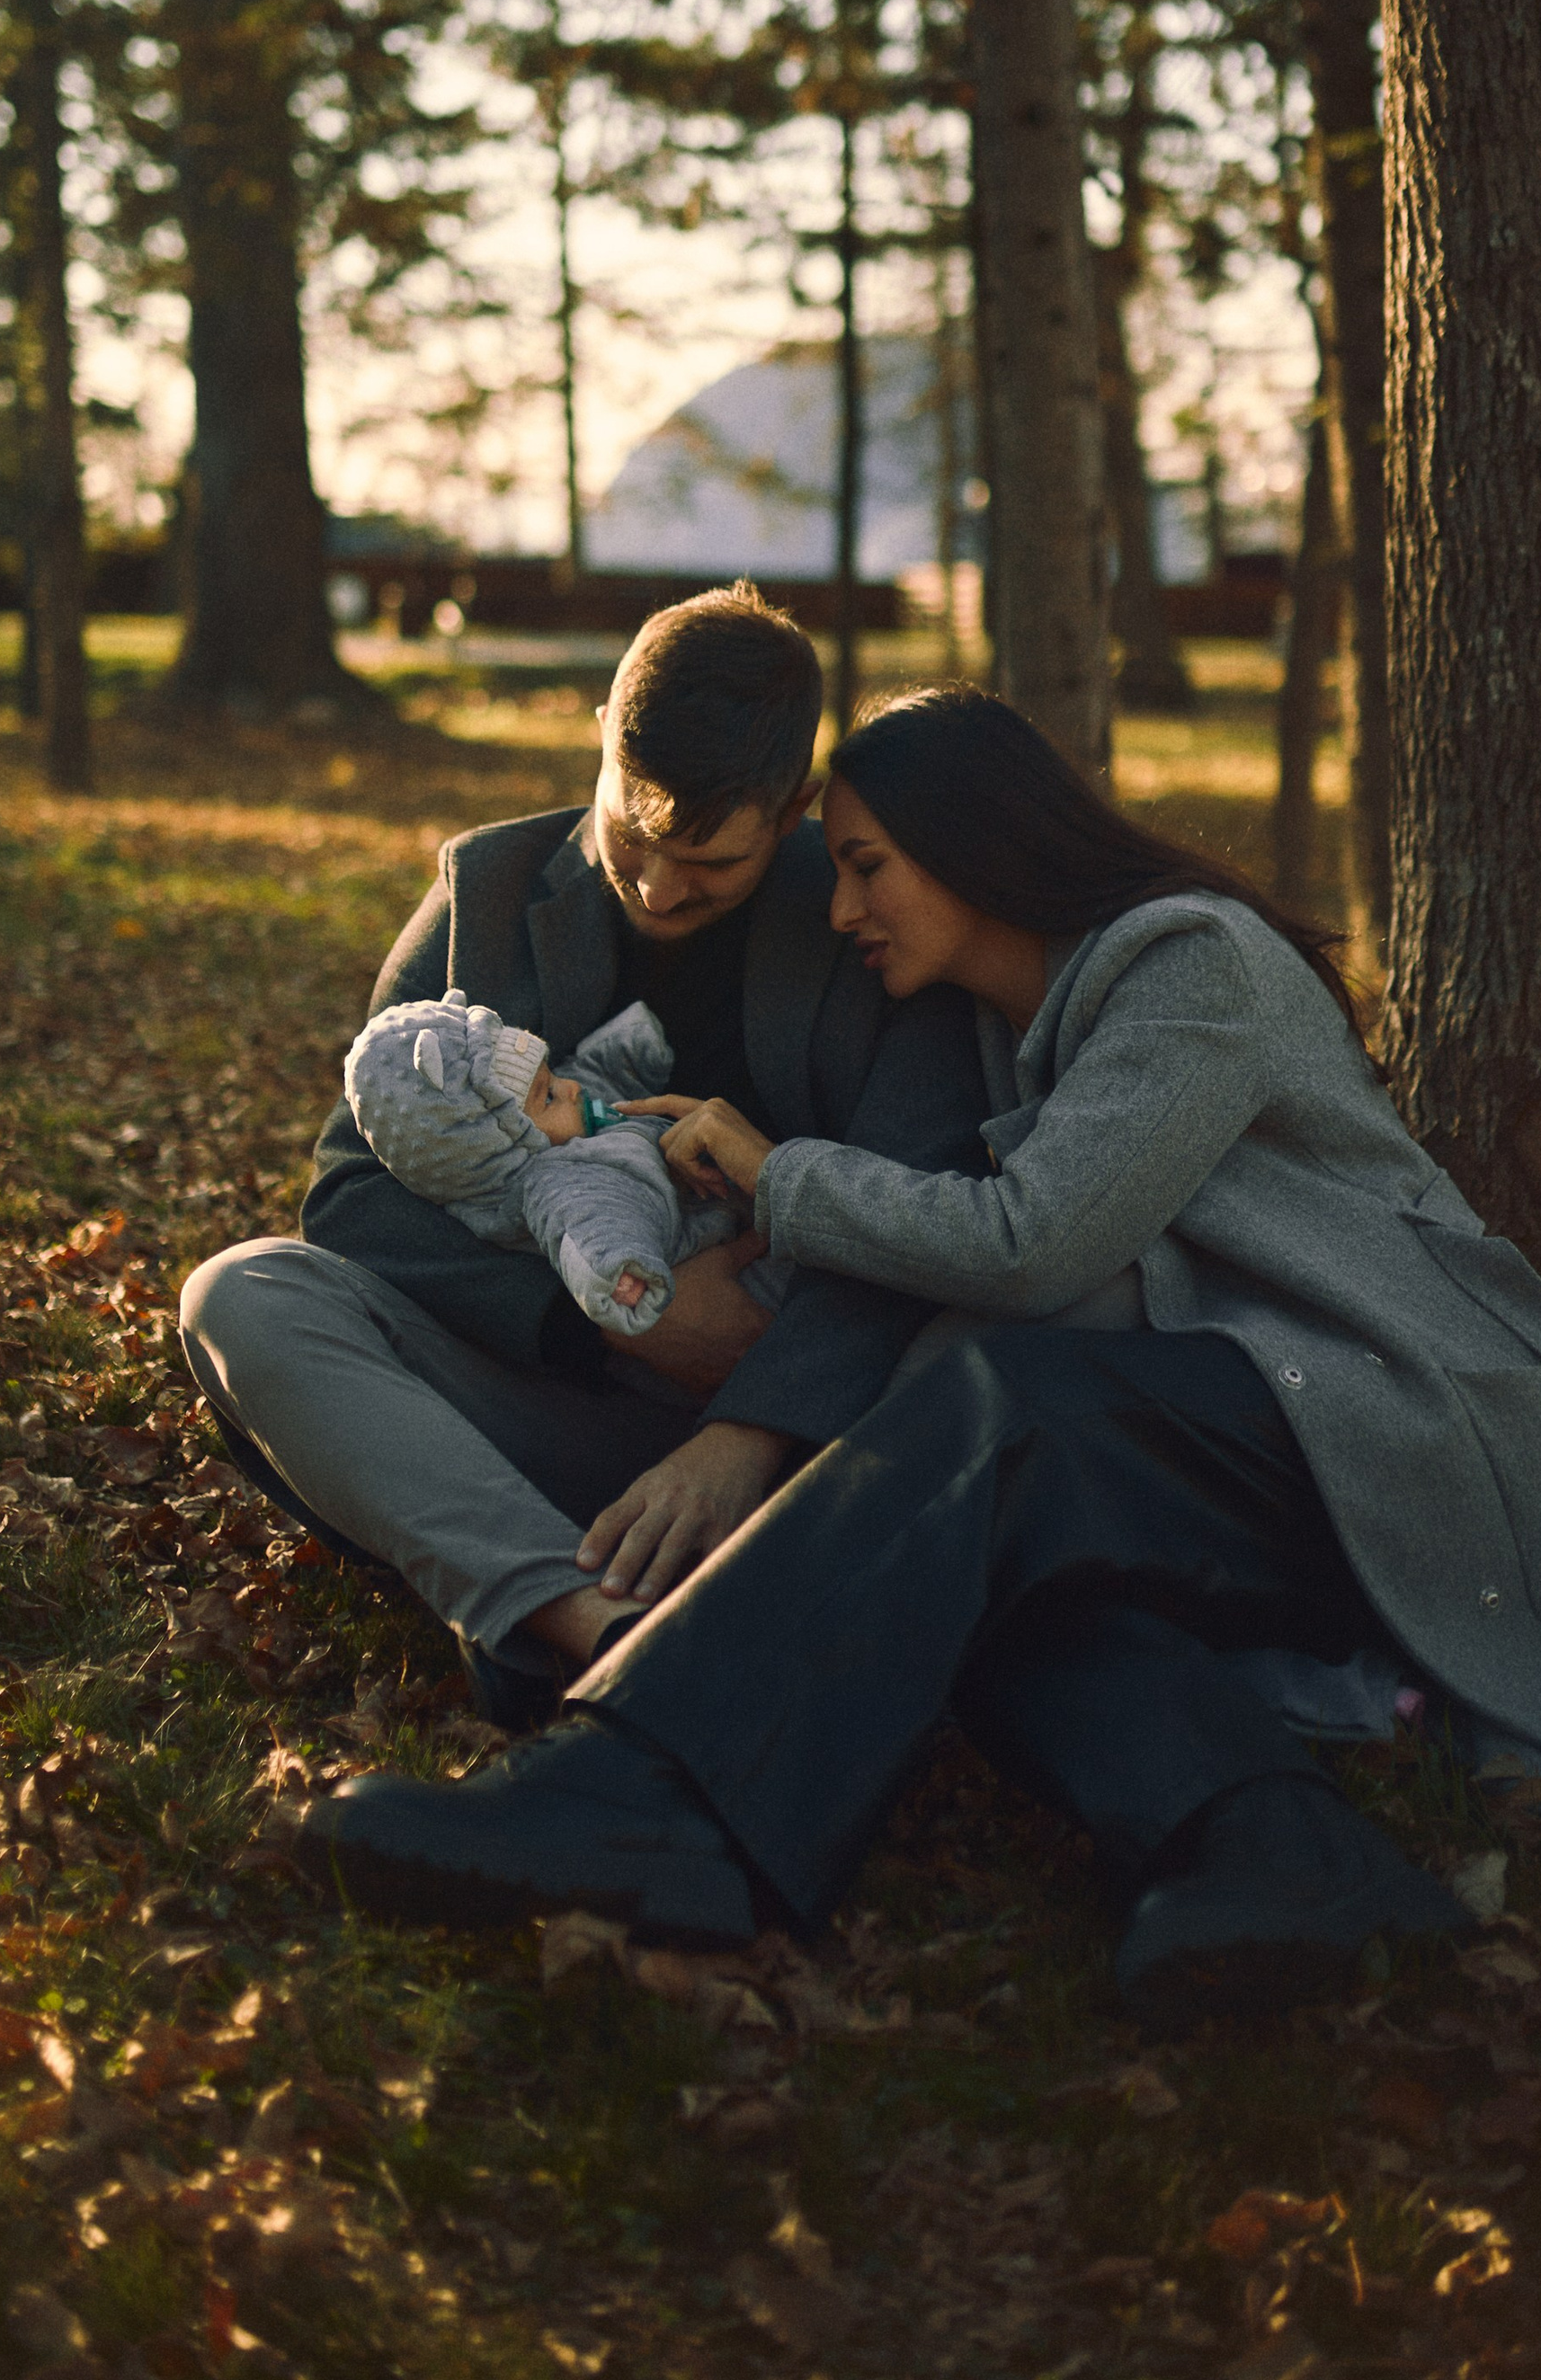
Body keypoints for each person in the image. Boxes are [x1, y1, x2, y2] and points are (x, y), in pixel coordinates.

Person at [307, 684, 1541, 2028]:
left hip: (1403, 1427)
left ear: (969, 846)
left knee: (1001, 1418)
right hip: (1227, 1434)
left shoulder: (1188, 967)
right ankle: (1267, 1843)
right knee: (997, 1544)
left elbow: (1039, 1246)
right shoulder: (1011, 1024)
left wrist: (769, 1170)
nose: (846, 904)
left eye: (869, 868)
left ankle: (649, 1789)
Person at [177, 585, 991, 1722]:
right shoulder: (486, 892)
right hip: (538, 1395)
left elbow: (926, 1202)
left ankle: (587, 1602)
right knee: (246, 1291)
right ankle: (593, 1632)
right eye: (635, 834)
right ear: (602, 737)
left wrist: (746, 1429)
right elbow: (355, 1198)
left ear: (792, 807)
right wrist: (619, 1319)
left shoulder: (866, 914)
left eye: (713, 862)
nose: (659, 887)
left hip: (801, 1432)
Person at [341, 981, 785, 1334]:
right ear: (496, 1145)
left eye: (552, 1076)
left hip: (726, 1216)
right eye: (549, 1095)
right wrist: (620, 1276)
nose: (570, 1089)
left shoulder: (563, 1130)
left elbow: (593, 1076)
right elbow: (593, 1225)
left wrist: (631, 1047)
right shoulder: (557, 1182)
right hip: (712, 1266)